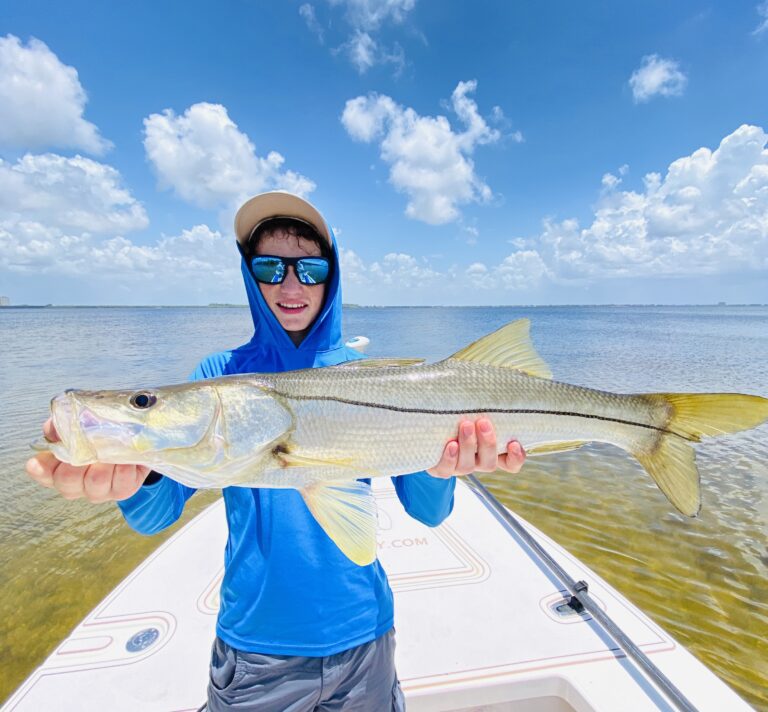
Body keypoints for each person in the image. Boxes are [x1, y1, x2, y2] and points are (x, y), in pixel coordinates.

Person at [26, 192, 526, 711]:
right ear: (249, 275)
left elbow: (428, 510)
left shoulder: (380, 378)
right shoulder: (218, 376)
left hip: (365, 637)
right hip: (256, 648)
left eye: (309, 269)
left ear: (332, 275)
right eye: (269, 267)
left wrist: (443, 465)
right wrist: (139, 470)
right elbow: (155, 514)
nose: (290, 285)